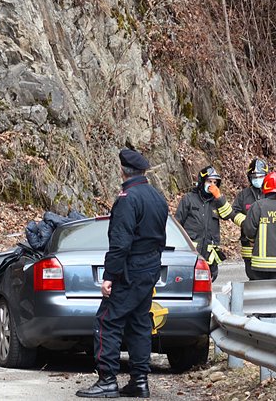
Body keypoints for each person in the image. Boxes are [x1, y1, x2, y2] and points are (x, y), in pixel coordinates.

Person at [76, 148, 169, 399]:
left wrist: (109, 276)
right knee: (139, 323)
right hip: (150, 267)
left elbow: (120, 243)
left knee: (107, 320)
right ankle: (140, 381)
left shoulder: (128, 199)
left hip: (131, 268)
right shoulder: (158, 197)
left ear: (123, 170)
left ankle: (107, 379)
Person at [175, 166, 232, 281]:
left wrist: (219, 198)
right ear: (202, 182)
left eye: (215, 182)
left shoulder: (217, 201)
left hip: (209, 256)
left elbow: (227, 215)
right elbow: (177, 223)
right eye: (209, 181)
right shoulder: (189, 199)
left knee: (206, 288)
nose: (212, 185)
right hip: (191, 253)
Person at [240, 171, 276, 282]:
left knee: (259, 294)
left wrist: (252, 240)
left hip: (259, 263)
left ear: (265, 188)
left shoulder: (258, 206)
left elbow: (249, 231)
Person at [231, 159, 269, 280]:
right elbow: (233, 212)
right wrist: (246, 222)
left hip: (268, 244)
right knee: (253, 277)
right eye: (254, 177)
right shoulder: (244, 195)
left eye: (260, 176)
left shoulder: (270, 193)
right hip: (248, 244)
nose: (257, 179)